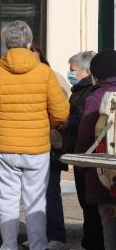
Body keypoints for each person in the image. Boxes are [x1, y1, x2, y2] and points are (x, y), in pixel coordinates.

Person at [0, 20, 69, 250]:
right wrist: (45, 127)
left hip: (4, 147)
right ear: (29, 42)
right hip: (37, 148)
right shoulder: (44, 72)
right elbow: (61, 111)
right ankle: (38, 244)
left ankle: (9, 245)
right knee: (35, 200)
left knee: (7, 200)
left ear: (6, 42)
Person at [28, 43, 70, 250]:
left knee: (51, 190)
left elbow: (63, 111)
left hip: (50, 143)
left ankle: (56, 236)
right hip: (29, 143)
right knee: (32, 193)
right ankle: (38, 235)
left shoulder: (54, 77)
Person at [75, 49, 116, 249]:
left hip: (105, 178)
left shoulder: (96, 97)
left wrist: (81, 166)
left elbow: (84, 140)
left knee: (108, 230)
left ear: (95, 75)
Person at [66, 51, 104, 250]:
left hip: (88, 158)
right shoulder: (82, 90)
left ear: (88, 71)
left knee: (91, 206)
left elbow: (84, 125)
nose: (69, 73)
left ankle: (91, 242)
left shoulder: (91, 94)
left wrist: (65, 121)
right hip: (89, 156)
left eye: (72, 70)